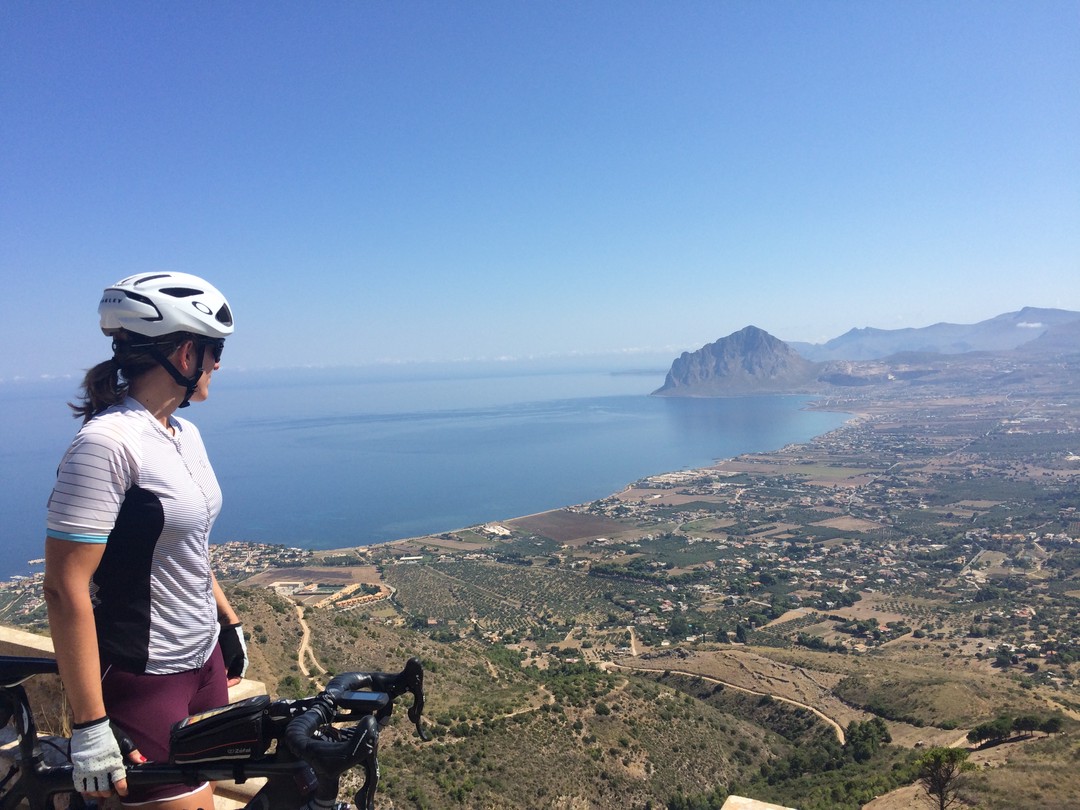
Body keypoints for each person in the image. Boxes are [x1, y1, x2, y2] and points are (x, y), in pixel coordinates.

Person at [43, 272, 248, 810]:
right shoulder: (107, 444)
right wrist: (90, 725)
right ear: (186, 354)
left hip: (204, 663)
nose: (219, 365)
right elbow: (65, 586)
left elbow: (188, 542)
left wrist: (228, 621)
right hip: (145, 677)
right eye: (215, 349)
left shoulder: (185, 434)